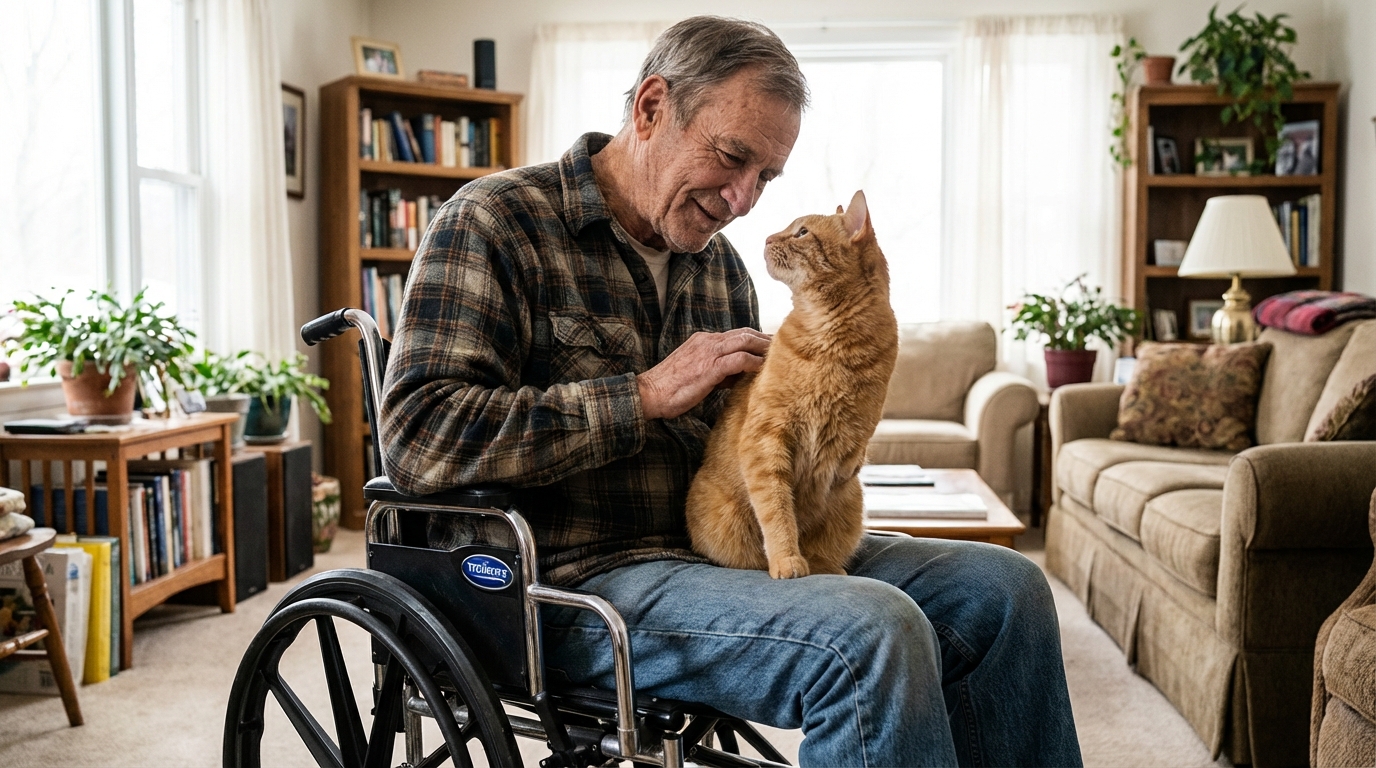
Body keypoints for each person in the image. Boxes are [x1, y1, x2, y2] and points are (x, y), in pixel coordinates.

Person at [381, 15, 1082, 767]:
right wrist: (642, 396)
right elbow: (421, 439)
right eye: (732, 158)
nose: (744, 200)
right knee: (869, 633)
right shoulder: (495, 223)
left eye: (766, 178)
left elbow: (757, 437)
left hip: (720, 549)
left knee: (1006, 592)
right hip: (569, 586)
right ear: (652, 108)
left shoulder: (720, 270)